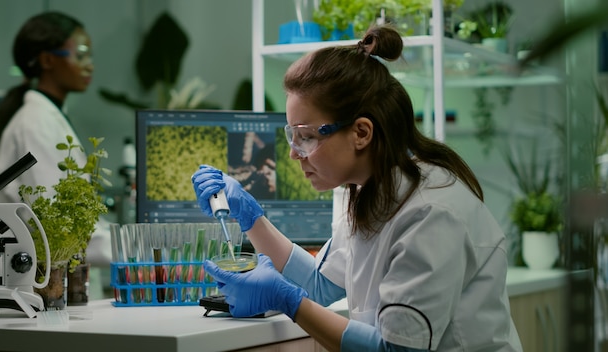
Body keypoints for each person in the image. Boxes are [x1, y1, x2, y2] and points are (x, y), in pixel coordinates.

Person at [192, 24, 522, 351]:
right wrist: (250, 216)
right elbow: (319, 286)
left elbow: (397, 349)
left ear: (362, 133)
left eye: (306, 136)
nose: (294, 153)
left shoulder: (431, 213)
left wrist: (287, 301)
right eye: (292, 135)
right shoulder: (372, 192)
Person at [0, 11, 93, 202]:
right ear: (48, 60)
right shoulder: (35, 123)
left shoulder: (47, 117)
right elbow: (49, 210)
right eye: (81, 55)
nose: (90, 66)